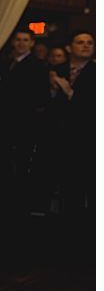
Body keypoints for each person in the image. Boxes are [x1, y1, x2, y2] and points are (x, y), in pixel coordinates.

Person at [0, 29, 49, 220]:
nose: (22, 43)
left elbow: (35, 96)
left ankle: (19, 207)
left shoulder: (38, 65)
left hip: (25, 125)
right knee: (4, 163)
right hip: (4, 123)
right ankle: (3, 203)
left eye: (26, 40)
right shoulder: (6, 63)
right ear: (13, 42)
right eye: (18, 40)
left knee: (22, 165)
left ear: (32, 43)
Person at [47, 31, 95, 236]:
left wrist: (69, 93)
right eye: (80, 42)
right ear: (69, 48)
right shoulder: (56, 70)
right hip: (60, 137)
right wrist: (52, 90)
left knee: (90, 185)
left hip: (88, 138)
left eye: (90, 43)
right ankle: (67, 228)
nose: (86, 46)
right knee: (67, 185)